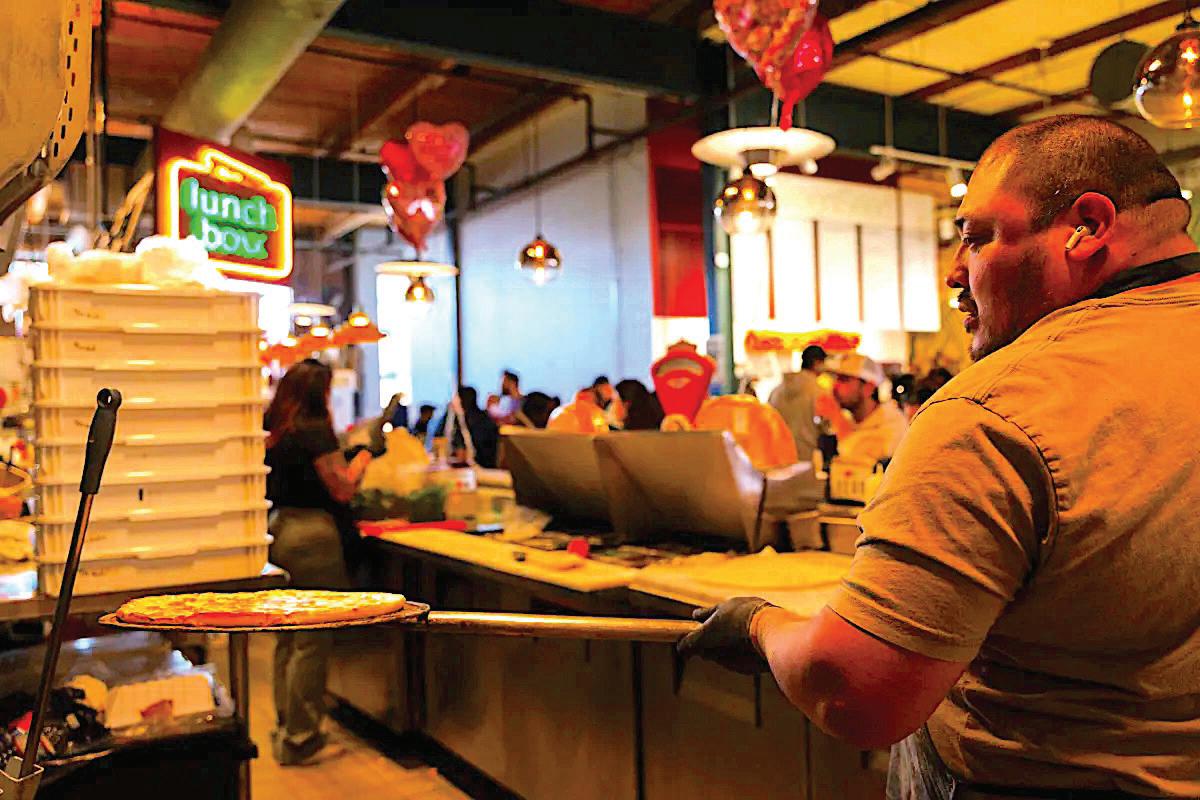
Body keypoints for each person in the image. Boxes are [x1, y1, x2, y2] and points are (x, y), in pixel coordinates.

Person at [678, 115, 1200, 798]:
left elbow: (857, 690)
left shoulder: (996, 408)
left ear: (1088, 226)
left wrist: (759, 626)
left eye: (977, 237)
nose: (955, 272)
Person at [263, 359, 375, 766]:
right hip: (312, 537)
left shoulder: (275, 429)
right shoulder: (315, 430)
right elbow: (342, 488)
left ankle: (285, 726)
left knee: (287, 637)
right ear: (319, 393)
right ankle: (302, 738)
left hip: (278, 529)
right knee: (312, 639)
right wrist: (364, 456)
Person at [827, 352, 908, 464]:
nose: (835, 386)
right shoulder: (851, 420)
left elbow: (856, 460)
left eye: (844, 379)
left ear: (868, 388)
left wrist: (836, 417)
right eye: (835, 379)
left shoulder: (893, 424)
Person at [768, 344, 827, 461]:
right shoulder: (818, 392)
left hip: (779, 456)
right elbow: (826, 425)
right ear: (817, 363)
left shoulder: (776, 391)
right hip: (806, 456)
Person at [439, 385, 500, 469]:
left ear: (461, 400)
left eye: (456, 398)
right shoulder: (483, 417)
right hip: (487, 466)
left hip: (478, 467)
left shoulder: (469, 421)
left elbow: (464, 452)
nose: (452, 402)